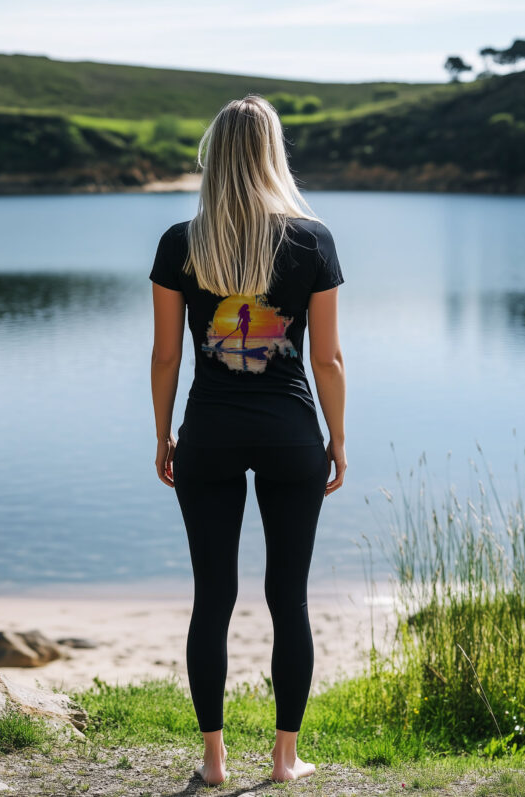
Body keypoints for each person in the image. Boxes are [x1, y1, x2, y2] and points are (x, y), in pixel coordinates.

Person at [149, 94, 346, 786]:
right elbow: (327, 359)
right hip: (293, 435)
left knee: (213, 596)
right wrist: (339, 437)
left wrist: (162, 432)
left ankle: (213, 759)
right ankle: (286, 758)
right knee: (288, 597)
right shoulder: (312, 240)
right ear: (271, 153)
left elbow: (166, 356)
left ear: (215, 156)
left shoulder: (181, 243)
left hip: (208, 434)